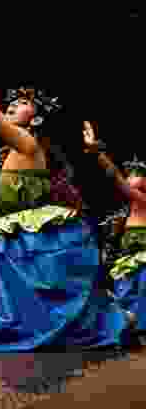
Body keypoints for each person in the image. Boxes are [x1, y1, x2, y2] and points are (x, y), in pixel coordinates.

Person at [0, 36, 130, 351]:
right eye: (11, 101)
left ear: (36, 119)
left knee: (38, 304)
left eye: (22, 103)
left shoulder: (27, 143)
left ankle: (106, 319)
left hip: (27, 234)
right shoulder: (12, 150)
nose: (12, 104)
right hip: (11, 229)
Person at [84, 121, 146, 330]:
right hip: (128, 272)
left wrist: (98, 154)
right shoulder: (125, 214)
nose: (131, 181)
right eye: (130, 176)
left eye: (138, 177)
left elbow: (116, 178)